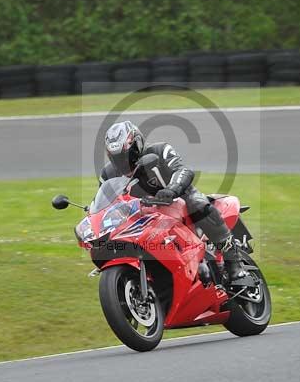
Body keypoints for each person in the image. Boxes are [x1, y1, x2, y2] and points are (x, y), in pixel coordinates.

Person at [99, 120, 253, 287]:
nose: (123, 162)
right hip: (142, 216)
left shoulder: (159, 151)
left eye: (126, 155)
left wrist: (172, 189)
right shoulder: (108, 173)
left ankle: (234, 263)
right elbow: (106, 201)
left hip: (178, 200)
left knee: (197, 202)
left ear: (137, 145)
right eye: (117, 158)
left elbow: (183, 171)